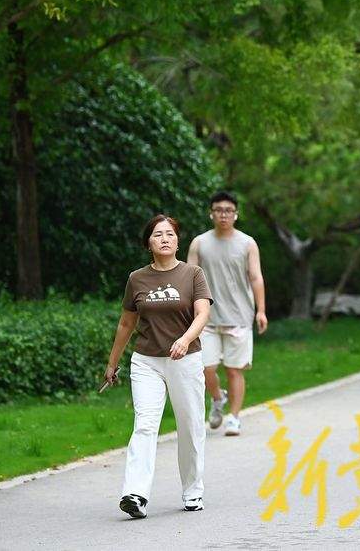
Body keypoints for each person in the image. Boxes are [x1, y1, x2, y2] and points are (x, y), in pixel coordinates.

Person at [104, 214, 213, 519]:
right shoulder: (137, 278)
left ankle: (193, 490)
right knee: (145, 425)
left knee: (190, 426)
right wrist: (112, 363)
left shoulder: (192, 274)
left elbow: (202, 314)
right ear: (148, 244)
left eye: (169, 234)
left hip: (186, 360)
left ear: (177, 241)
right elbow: (127, 322)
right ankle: (135, 494)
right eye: (157, 235)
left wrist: (185, 339)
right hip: (146, 361)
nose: (164, 239)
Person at [187, 191, 268, 436]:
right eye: (219, 210)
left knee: (235, 369)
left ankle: (234, 417)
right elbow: (188, 279)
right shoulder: (199, 243)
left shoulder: (247, 243)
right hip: (206, 317)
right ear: (211, 213)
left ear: (236, 214)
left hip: (239, 316)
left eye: (228, 210)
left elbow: (255, 277)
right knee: (205, 368)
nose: (224, 214)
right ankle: (217, 397)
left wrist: (261, 311)